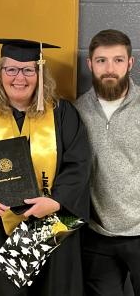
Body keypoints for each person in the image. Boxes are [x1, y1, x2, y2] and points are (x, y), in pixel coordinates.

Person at [0, 38, 91, 296]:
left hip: (54, 223)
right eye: (11, 69)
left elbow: (79, 165)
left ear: (39, 74)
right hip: (1, 226)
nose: (20, 78)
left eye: (28, 70)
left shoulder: (62, 113)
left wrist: (57, 201)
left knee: (54, 289)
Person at [75, 29, 140, 296]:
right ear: (90, 64)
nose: (109, 68)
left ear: (130, 63)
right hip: (96, 235)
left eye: (118, 60)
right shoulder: (76, 111)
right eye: (101, 60)